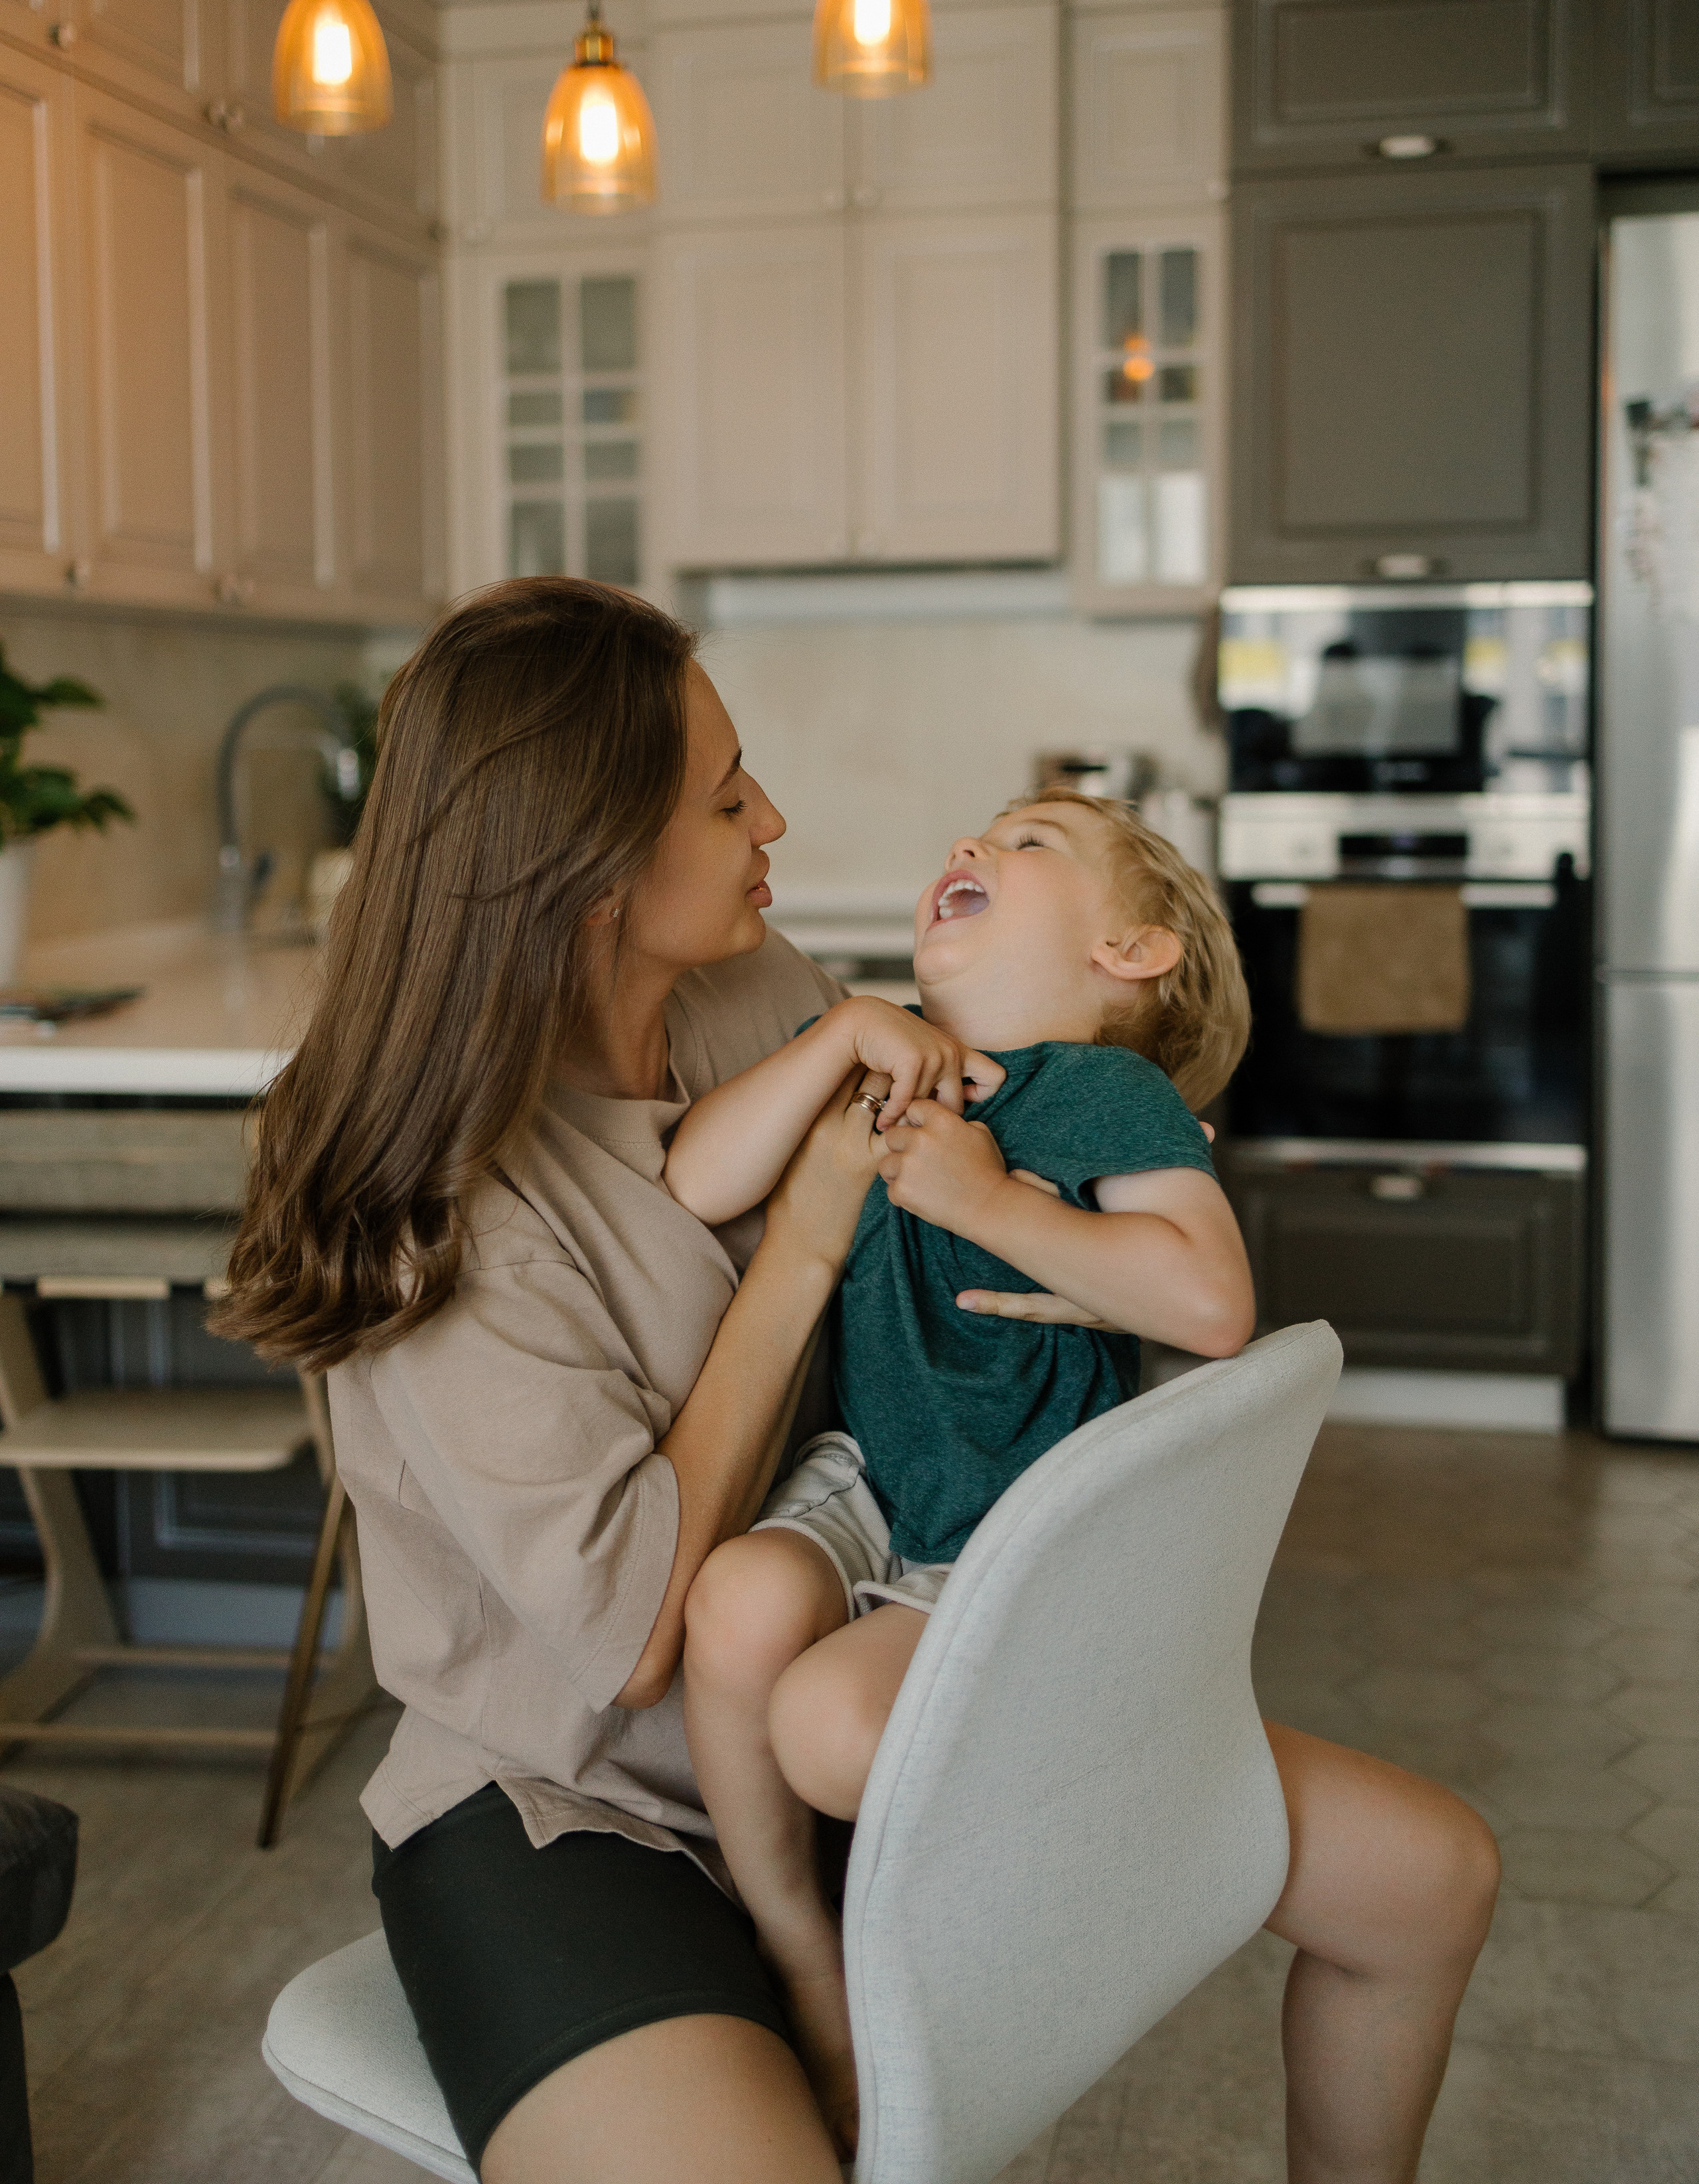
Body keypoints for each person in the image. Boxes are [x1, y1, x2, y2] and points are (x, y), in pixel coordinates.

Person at [216, 578, 1498, 2184]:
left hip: (897, 1684)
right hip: (589, 1816)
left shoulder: (754, 992)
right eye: (727, 793)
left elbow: (1011, 1142)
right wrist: (808, 1243)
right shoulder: (428, 1203)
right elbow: (626, 1637)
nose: (775, 818)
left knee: (1425, 1879)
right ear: (595, 866)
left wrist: (1110, 1176)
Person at [664, 792, 1256, 2149]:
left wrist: (984, 1203)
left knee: (824, 1727)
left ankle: (954, 1942)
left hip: (1007, 1527)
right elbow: (701, 1180)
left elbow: (1211, 1304)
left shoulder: (1105, 1092)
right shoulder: (879, 1057)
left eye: (1030, 840)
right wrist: (844, 1040)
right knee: (734, 1604)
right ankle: (799, 1951)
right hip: (869, 1477)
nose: (966, 849)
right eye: (969, 837)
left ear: (1130, 951)